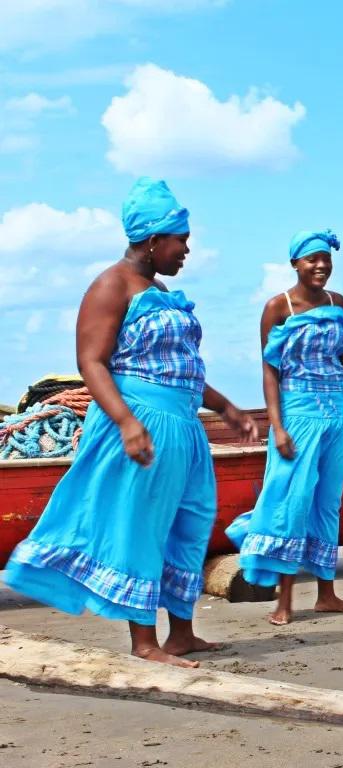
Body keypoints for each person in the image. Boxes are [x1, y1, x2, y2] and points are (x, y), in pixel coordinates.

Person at [2, 178, 258, 667]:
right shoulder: (110, 285)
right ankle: (145, 643)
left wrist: (225, 408)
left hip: (183, 425)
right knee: (142, 526)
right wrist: (125, 423)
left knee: (190, 522)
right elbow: (92, 362)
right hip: (140, 419)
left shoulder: (159, 290)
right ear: (152, 238)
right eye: (180, 239)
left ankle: (181, 633)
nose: (186, 249)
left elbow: (180, 366)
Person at [225, 229, 343, 626]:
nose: (321, 266)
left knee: (328, 503)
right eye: (312, 259)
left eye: (326, 259)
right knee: (292, 502)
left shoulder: (338, 303)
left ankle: (327, 594)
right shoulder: (279, 308)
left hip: (337, 415)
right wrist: (276, 426)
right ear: (295, 263)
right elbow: (269, 371)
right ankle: (285, 599)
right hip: (298, 412)